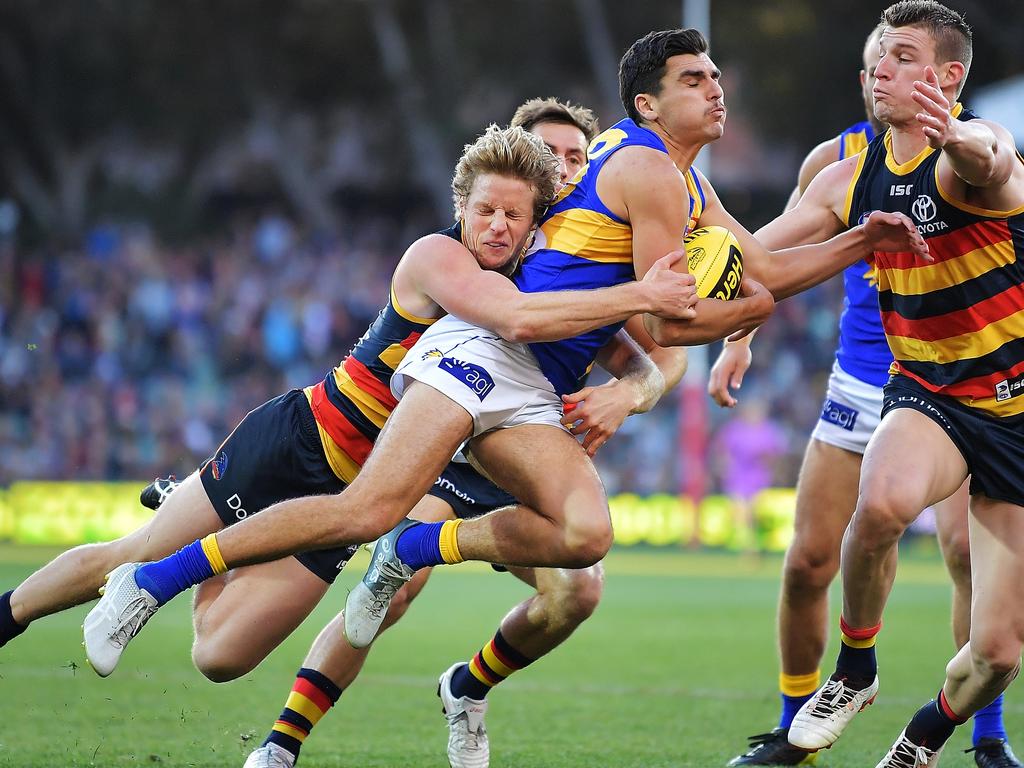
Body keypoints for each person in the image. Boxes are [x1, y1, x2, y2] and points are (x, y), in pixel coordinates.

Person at [83, 28, 926, 678]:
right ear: (646, 105)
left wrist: (862, 240)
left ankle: (416, 552)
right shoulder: (647, 171)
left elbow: (765, 263)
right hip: (481, 352)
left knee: (585, 536)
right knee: (366, 507)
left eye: (715, 78)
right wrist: (754, 305)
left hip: (533, 384)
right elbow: (672, 321)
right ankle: (149, 583)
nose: (716, 90)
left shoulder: (685, 182)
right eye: (694, 81)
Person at [0, 124, 697, 686]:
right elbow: (514, 317)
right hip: (299, 439)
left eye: (514, 215)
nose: (496, 225)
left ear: (536, 222)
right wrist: (642, 293)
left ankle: (220, 549)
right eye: (484, 210)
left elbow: (635, 350)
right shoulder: (439, 257)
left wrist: (631, 387)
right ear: (462, 209)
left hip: (357, 493)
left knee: (220, 659)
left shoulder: (550, 292)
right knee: (138, 552)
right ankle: (10, 614)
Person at [223, 98, 691, 768]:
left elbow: (664, 343)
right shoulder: (475, 249)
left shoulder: (591, 260)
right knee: (392, 591)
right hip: (452, 439)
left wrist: (632, 390)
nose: (561, 168)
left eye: (575, 158)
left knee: (580, 590)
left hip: (525, 449)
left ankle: (467, 685)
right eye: (546, 155)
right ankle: (280, 745)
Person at [706, 3, 1023, 764]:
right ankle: (854, 668)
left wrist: (959, 134)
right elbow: (758, 254)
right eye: (880, 55)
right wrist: (672, 226)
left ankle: (928, 736)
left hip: (1013, 410)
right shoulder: (850, 174)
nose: (883, 66)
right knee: (877, 505)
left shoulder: (975, 154)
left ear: (948, 77)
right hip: (928, 392)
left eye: (904, 56)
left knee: (1000, 650)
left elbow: (991, 160)